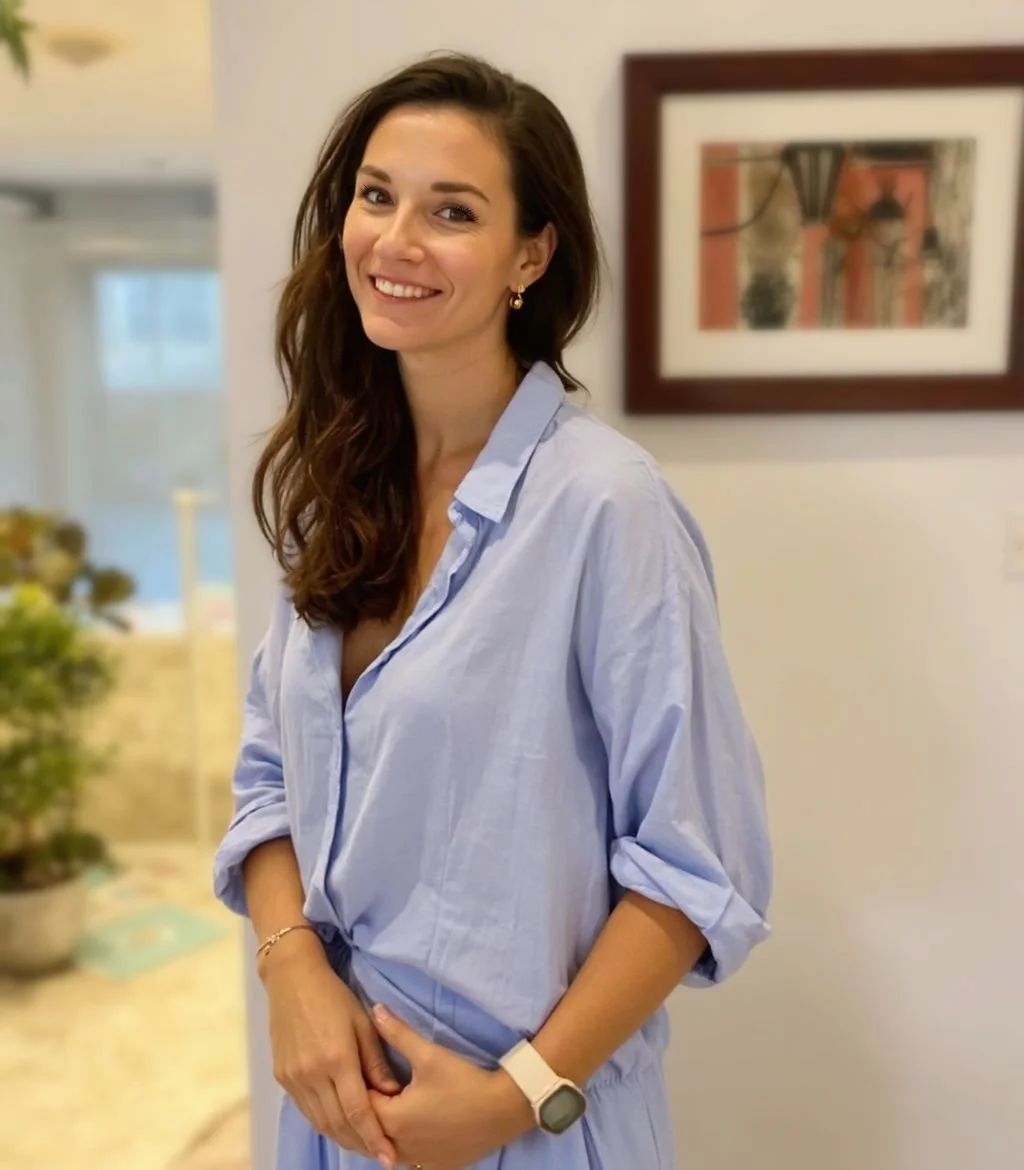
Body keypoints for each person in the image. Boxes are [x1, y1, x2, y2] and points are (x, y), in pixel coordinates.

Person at [213, 51, 772, 1170]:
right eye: (377, 196)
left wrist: (517, 1097)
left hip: (517, 1131)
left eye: (451, 211)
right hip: (332, 1119)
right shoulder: (340, 484)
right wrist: (290, 973)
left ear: (531, 254)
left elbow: (692, 870)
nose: (395, 241)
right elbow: (270, 774)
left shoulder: (604, 507)